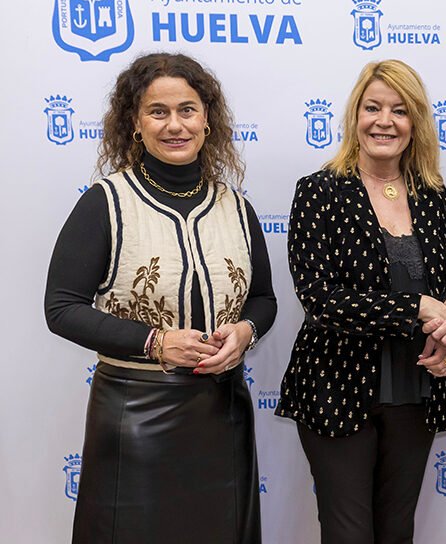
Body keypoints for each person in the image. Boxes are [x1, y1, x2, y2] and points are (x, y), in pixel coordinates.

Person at [44, 53, 277, 543]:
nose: (175, 125)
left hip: (222, 414)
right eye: (158, 112)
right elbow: (62, 308)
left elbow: (263, 298)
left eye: (188, 110)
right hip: (135, 414)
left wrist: (245, 331)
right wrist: (154, 342)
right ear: (135, 123)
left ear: (207, 119)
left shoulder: (236, 207)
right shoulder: (106, 202)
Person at [276, 59, 446, 544]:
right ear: (354, 116)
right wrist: (417, 309)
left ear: (416, 125)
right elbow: (320, 299)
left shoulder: (433, 195)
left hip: (417, 391)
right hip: (337, 390)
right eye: (373, 108)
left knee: (396, 531)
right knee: (348, 534)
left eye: (400, 111)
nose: (384, 121)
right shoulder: (319, 191)